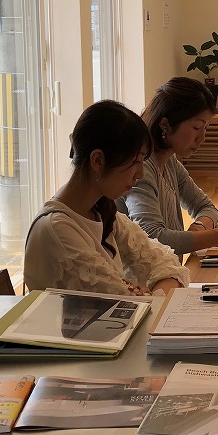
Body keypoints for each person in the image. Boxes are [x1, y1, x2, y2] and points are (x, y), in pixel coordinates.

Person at [23, 100, 189, 295]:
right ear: (98, 160)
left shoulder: (100, 208)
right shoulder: (57, 229)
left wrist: (153, 293)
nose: (140, 174)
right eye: (135, 162)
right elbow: (125, 301)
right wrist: (152, 293)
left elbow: (166, 262)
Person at [124, 77, 218, 255]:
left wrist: (199, 228)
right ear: (165, 125)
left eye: (206, 128)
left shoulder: (170, 162)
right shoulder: (141, 169)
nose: (202, 138)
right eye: (196, 127)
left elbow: (206, 207)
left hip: (169, 269)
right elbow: (152, 238)